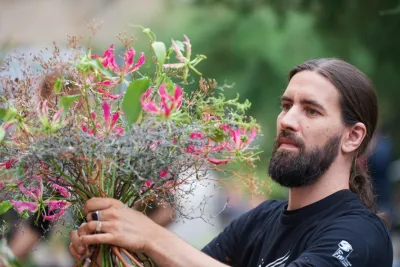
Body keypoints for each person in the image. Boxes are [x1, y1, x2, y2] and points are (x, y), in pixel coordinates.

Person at [69, 58, 393, 267]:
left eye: (311, 110)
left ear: (353, 137)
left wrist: (152, 237)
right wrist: (111, 251)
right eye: (286, 105)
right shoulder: (260, 220)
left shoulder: (360, 234)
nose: (287, 120)